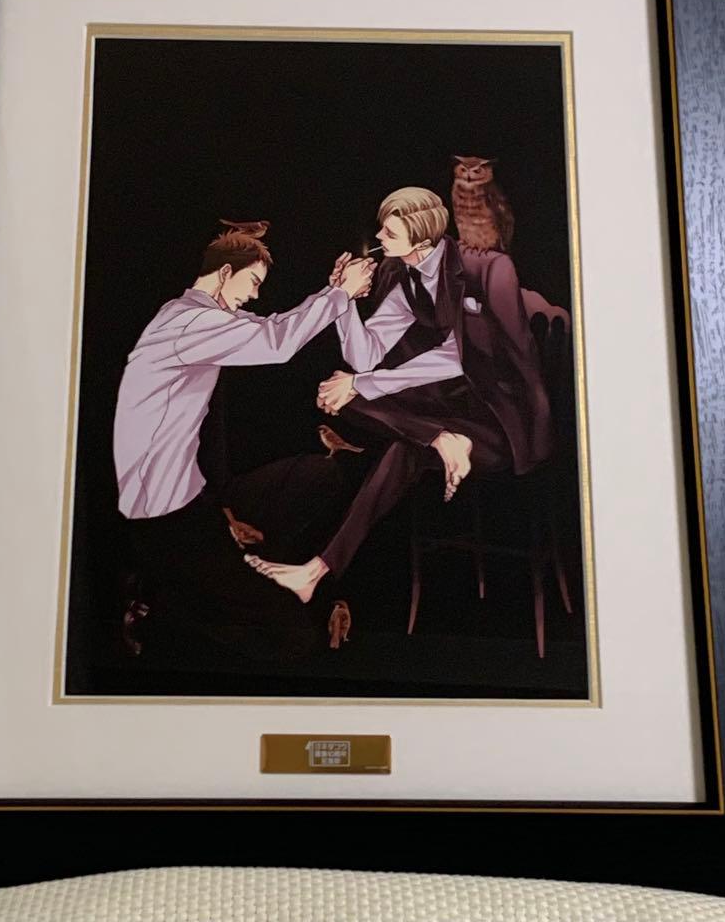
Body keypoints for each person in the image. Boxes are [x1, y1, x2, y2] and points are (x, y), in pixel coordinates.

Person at [246, 186, 552, 603]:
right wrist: (344, 301)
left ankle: (315, 571)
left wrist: (361, 384)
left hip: (501, 421)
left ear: (421, 240)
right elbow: (365, 355)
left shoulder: (486, 268)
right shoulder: (403, 274)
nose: (379, 238)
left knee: (370, 408)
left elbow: (457, 358)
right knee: (361, 407)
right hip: (448, 414)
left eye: (389, 233)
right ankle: (315, 572)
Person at [113, 220, 375, 658]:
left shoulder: (197, 316)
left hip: (196, 504)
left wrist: (334, 295)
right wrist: (339, 295)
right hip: (167, 523)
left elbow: (273, 325)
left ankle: (239, 574)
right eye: (252, 282)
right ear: (223, 273)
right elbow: (276, 343)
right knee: (294, 638)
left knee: (318, 476)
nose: (254, 295)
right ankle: (160, 608)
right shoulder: (189, 324)